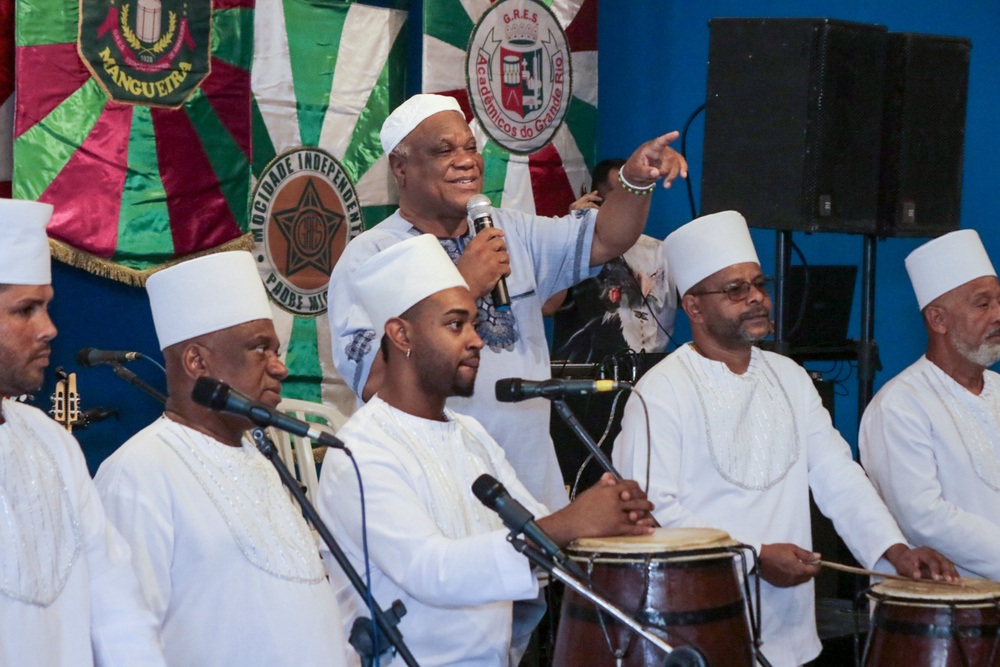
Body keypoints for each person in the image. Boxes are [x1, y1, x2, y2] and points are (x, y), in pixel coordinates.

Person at [612, 211, 957, 667]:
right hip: (697, 626)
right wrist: (753, 556)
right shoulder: (660, 392)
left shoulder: (789, 377)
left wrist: (894, 551)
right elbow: (653, 512)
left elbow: (838, 475)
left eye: (759, 284)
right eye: (736, 290)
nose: (756, 298)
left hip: (792, 628)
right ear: (693, 307)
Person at [327, 93, 687, 511]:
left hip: (529, 476)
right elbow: (373, 382)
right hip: (437, 482)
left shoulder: (510, 230)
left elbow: (607, 237)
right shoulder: (371, 256)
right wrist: (463, 285)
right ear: (400, 167)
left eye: (470, 147)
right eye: (444, 150)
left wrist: (634, 179)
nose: (466, 161)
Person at [317, 234, 655, 667]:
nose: (477, 340)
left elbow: (538, 535)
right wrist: (567, 526)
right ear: (401, 334)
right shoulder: (359, 452)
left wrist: (604, 522)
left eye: (474, 324)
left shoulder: (470, 435)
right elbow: (429, 569)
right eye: (456, 325)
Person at [95, 251, 348, 666]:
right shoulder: (139, 471)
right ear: (197, 361)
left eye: (276, 349)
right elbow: (122, 639)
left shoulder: (261, 459)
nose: (280, 368)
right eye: (259, 349)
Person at [0, 199, 166, 666]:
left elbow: (117, 606)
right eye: (25, 310)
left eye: (47, 308)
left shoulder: (51, 442)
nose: (50, 329)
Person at [861, 230, 1000, 580]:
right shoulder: (899, 405)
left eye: (999, 302)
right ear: (938, 319)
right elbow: (923, 517)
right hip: (941, 617)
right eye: (983, 304)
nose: (997, 315)